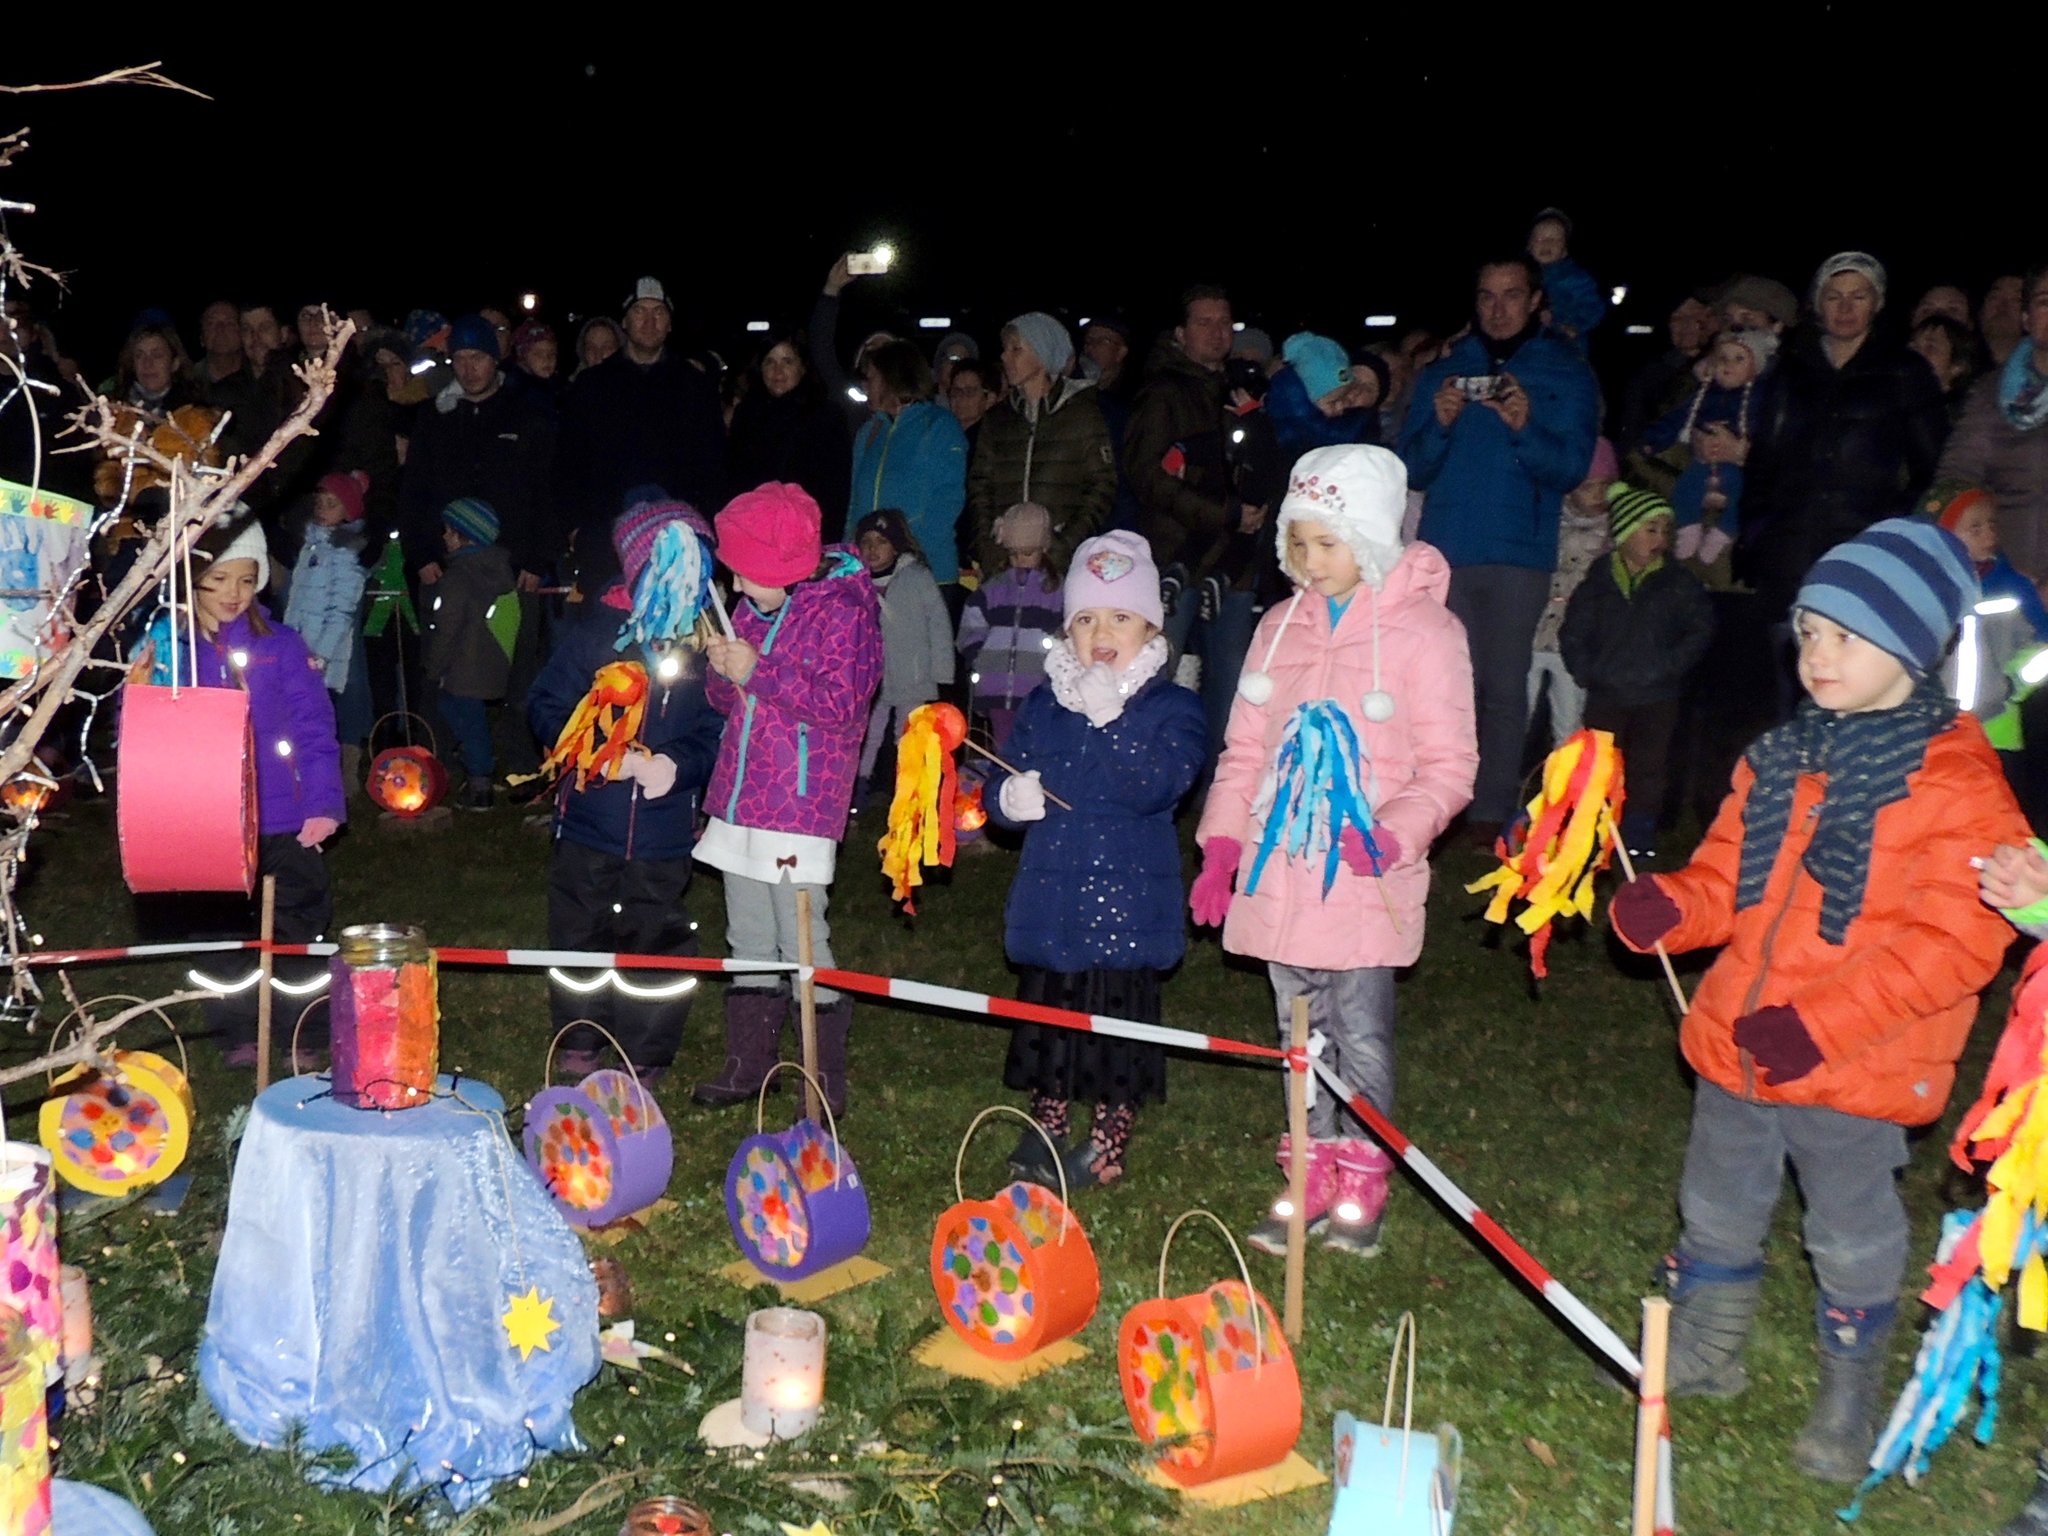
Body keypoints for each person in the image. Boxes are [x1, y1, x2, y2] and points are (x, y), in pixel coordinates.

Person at [1607, 517, 2029, 1483]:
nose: (1819, 656)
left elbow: (1957, 943)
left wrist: (1818, 1026)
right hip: (1738, 1043)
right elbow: (1729, 879)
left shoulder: (1957, 783)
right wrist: (1673, 907)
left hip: (1855, 1066)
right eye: (1809, 632)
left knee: (1849, 1231)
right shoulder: (1781, 757)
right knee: (1715, 1202)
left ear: (1914, 647)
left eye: (1847, 636)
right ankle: (1709, 1352)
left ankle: (1849, 1391)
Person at [1192, 445, 1476, 1255]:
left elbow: (1451, 764)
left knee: (1361, 1034)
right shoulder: (1279, 631)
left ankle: (1363, 1178)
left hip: (1365, 877)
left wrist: (1395, 833)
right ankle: (1307, 1171)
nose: (1311, 564)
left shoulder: (1426, 634)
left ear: (1373, 539)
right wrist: (1221, 844)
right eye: (1298, 544)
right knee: (1297, 1031)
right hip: (1283, 876)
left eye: (1329, 544)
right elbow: (1245, 751)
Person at [985, 530, 1206, 1188]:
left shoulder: (1173, 708)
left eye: (1119, 617)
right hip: (1055, 891)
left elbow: (1159, 785)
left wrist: (1115, 723)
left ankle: (1109, 1136)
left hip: (1129, 897)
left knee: (1116, 1017)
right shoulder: (1047, 704)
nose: (1100, 632)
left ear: (1150, 627)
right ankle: (1047, 1120)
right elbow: (1006, 777)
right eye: (1085, 619)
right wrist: (1008, 800)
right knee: (1052, 1006)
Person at [692, 483, 882, 1115]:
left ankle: (820, 1079)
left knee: (802, 941)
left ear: (785, 568)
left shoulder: (843, 613)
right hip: (743, 797)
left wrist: (757, 671)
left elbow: (841, 704)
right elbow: (732, 703)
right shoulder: (754, 608)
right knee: (746, 933)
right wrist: (722, 672)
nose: (739, 589)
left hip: (799, 804)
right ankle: (749, 1063)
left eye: (748, 575)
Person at [127, 515, 344, 1068]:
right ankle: (237, 1029)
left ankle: (307, 1032)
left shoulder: (283, 646)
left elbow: (315, 726)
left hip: (284, 815)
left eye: (247, 580)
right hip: (207, 821)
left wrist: (322, 803)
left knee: (299, 929)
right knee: (221, 933)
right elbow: (140, 735)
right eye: (220, 579)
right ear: (192, 578)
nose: (233, 594)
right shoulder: (167, 648)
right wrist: (138, 691)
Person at [1398, 253, 1600, 840]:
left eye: (1512, 295)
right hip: (1448, 546)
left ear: (1536, 300)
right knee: (1443, 685)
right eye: (1487, 296)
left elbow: (1568, 467)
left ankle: (1490, 814)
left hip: (1520, 548)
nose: (1499, 307)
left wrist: (1524, 426)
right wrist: (1436, 422)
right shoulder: (1445, 370)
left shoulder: (1564, 370)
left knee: (1504, 688)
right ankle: (1435, 804)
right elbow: (1411, 464)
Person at [528, 497, 726, 1084]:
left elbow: (717, 728)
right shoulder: (595, 635)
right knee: (579, 932)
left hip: (664, 832)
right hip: (591, 823)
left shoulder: (705, 644)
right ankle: (580, 1033)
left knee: (657, 937)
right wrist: (590, 750)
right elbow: (545, 705)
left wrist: (678, 765)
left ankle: (647, 1047)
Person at [1739, 252, 1950, 627]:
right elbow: (1763, 461)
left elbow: (1931, 466)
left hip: (1866, 547)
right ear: (1818, 305)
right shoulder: (1790, 371)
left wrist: (1893, 532)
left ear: (1877, 303)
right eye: (1834, 296)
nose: (1845, 307)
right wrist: (1757, 533)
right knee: (1785, 658)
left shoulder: (1906, 371)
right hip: (1790, 548)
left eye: (1859, 296)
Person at [1125, 284, 1280, 757]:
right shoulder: (1162, 393)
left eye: (1223, 322)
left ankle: (1221, 794)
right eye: (1203, 322)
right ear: (1180, 332)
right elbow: (1146, 474)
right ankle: (1151, 781)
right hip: (1179, 558)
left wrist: (1261, 507)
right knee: (1159, 673)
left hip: (1234, 566)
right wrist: (1226, 514)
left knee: (1231, 683)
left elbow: (1266, 460)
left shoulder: (1244, 389)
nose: (1216, 332)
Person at [1559, 484, 1714, 857]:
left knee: (1649, 766)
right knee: (1599, 764)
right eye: (1650, 530)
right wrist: (1587, 671)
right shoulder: (1599, 581)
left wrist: (1669, 667)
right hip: (1607, 692)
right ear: (1625, 533)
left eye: (1665, 531)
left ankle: (1640, 831)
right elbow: (1574, 630)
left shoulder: (1677, 583)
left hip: (1657, 695)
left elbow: (1700, 629)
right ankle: (1591, 827)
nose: (1659, 539)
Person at [557, 278, 727, 600]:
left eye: (659, 312)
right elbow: (567, 464)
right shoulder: (591, 386)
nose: (649, 321)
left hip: (679, 541)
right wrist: (575, 528)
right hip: (605, 544)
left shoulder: (694, 387)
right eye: (639, 311)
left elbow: (714, 465)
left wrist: (706, 526)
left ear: (670, 323)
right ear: (625, 321)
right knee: (604, 638)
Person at [966, 312, 1115, 581]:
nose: (1005, 357)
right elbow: (980, 486)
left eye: (1016, 349)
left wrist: (1064, 546)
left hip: (1059, 569)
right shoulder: (998, 419)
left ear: (1044, 355)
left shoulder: (1081, 415)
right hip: (1003, 566)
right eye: (1005, 349)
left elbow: (1102, 487)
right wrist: (988, 546)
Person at [1937, 263, 2048, 581]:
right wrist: (1991, 566)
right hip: (2006, 576)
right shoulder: (1992, 392)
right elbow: (1955, 481)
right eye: (2044, 301)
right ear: (2027, 319)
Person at [1638, 329, 1780, 567]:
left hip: (1737, 467)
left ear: (1756, 367)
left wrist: (1747, 449)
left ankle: (1724, 532)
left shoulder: (1762, 398)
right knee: (1686, 488)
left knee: (1740, 496)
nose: (1728, 365)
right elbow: (1676, 419)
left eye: (1739, 359)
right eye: (1723, 358)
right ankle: (1689, 527)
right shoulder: (1704, 395)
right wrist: (1653, 440)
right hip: (1702, 462)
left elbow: (1769, 433)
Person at [846, 339, 969, 598]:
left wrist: (908, 554)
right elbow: (855, 503)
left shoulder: (938, 426)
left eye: (871, 378)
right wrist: (849, 557)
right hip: (871, 576)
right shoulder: (869, 432)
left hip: (926, 575)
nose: (866, 386)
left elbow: (947, 499)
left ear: (892, 379)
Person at [851, 508, 954, 806]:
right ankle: (856, 793)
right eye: (866, 541)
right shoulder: (854, 583)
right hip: (870, 676)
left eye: (881, 541)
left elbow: (938, 625)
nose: (872, 549)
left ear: (896, 545)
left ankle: (907, 796)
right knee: (867, 734)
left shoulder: (917, 577)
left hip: (912, 672)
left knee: (907, 734)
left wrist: (942, 674)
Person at [422, 497, 516, 810]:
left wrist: (434, 668)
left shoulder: (459, 577)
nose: (444, 536)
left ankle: (480, 786)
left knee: (466, 720)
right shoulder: (496, 572)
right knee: (469, 719)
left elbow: (447, 628)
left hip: (462, 666)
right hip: (486, 664)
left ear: (464, 536)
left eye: (449, 531)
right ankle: (477, 767)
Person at [283, 471, 372, 784]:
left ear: (348, 512)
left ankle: (340, 774)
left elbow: (340, 612)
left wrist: (321, 654)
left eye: (332, 504)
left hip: (321, 654)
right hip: (298, 645)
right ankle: (302, 772)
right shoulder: (311, 546)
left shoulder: (345, 557)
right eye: (320, 502)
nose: (322, 508)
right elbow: (297, 597)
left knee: (321, 713)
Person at [958, 502, 1065, 753]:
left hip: (1038, 689)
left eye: (1028, 553)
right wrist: (979, 657)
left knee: (1033, 750)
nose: (1020, 561)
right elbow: (971, 625)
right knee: (1003, 751)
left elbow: (1069, 631)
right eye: (1014, 554)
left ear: (1044, 548)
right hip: (996, 689)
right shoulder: (994, 588)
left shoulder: (1057, 590)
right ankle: (1002, 790)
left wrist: (1058, 665)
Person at [1529, 441, 1616, 747]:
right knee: (1516, 715)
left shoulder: (1615, 532)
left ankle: (1566, 789)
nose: (1598, 495)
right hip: (1534, 634)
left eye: (1605, 486)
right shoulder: (1545, 520)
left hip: (1574, 644)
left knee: (1569, 725)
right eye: (1588, 487)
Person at [726, 330, 853, 529]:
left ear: (803, 367)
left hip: (805, 532)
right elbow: (734, 479)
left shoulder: (825, 416)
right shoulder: (747, 414)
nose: (778, 371)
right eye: (770, 362)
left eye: (787, 361)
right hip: (753, 531)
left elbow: (836, 488)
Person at [1264, 332, 1376, 462]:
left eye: (1343, 399)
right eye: (1333, 402)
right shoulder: (1295, 430)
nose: (1340, 408)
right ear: (1306, 398)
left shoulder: (1335, 425)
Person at [1527, 207, 1606, 347]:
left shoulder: (1576, 278)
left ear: (1565, 249)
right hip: (1529, 346)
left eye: (1554, 240)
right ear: (1529, 245)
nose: (1546, 244)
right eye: (1539, 238)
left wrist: (1572, 325)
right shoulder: (1522, 275)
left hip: (1565, 346)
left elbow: (1592, 307)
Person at [1909, 314, 1984, 420]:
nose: (1916, 355)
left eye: (1930, 348)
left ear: (1957, 366)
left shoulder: (1967, 418)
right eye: (1913, 348)